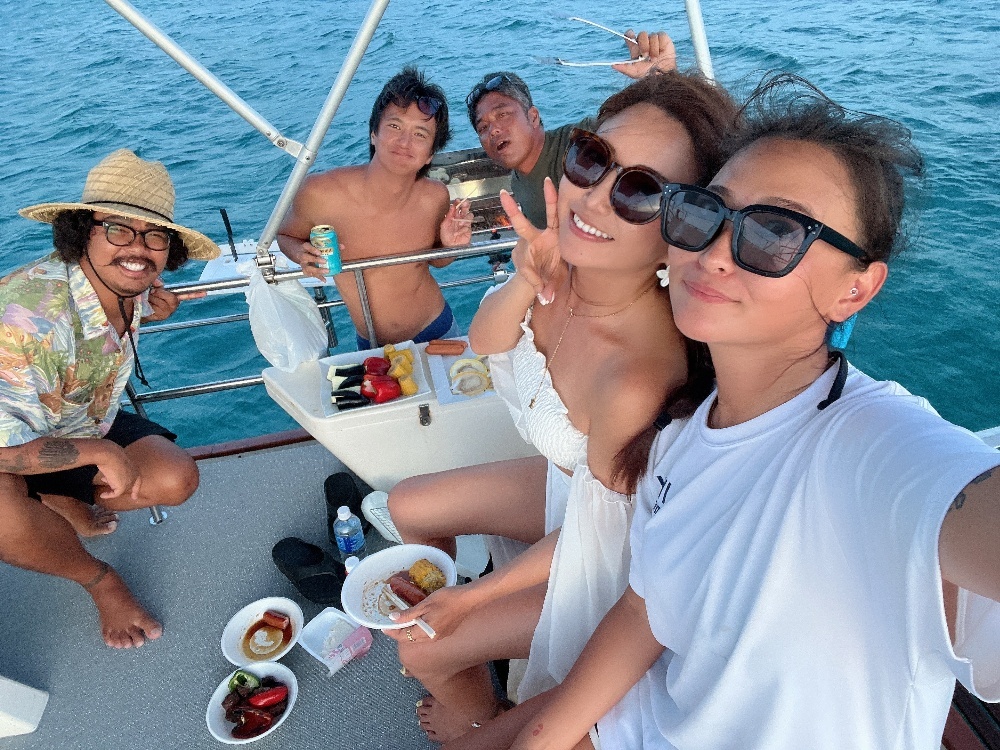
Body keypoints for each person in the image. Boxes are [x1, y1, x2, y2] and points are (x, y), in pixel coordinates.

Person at [508, 74, 1000, 750]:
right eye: (702, 212)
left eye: (774, 234)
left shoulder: (871, 447)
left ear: (855, 290)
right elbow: (645, 611)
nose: (713, 253)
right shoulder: (681, 437)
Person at [385, 71, 736, 746]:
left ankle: (478, 719)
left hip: (606, 554)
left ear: (685, 228)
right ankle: (476, 676)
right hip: (570, 490)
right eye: (592, 159)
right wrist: (526, 277)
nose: (594, 197)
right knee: (408, 505)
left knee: (421, 644)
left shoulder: (633, 376)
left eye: (640, 191)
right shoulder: (567, 265)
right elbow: (489, 341)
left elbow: (593, 537)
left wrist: (471, 599)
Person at [0, 148, 216, 649]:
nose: (138, 248)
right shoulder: (25, 320)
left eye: (155, 235)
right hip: (10, 445)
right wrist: (101, 452)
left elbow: (111, 309)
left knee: (175, 478)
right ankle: (100, 582)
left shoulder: (124, 282)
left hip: (77, 419)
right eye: (118, 229)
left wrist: (152, 311)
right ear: (83, 232)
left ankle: (57, 497)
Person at [278, 66, 473, 349]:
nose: (404, 142)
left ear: (430, 154)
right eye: (395, 126)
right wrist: (300, 254)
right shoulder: (320, 193)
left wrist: (450, 247)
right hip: (371, 344)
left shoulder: (434, 197)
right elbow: (285, 235)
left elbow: (435, 261)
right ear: (373, 133)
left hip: (438, 331)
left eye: (420, 134)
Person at [466, 31, 677, 229]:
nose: (493, 130)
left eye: (502, 114)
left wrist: (661, 79)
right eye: (482, 127)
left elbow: (649, 132)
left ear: (533, 117)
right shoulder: (518, 182)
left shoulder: (582, 142)